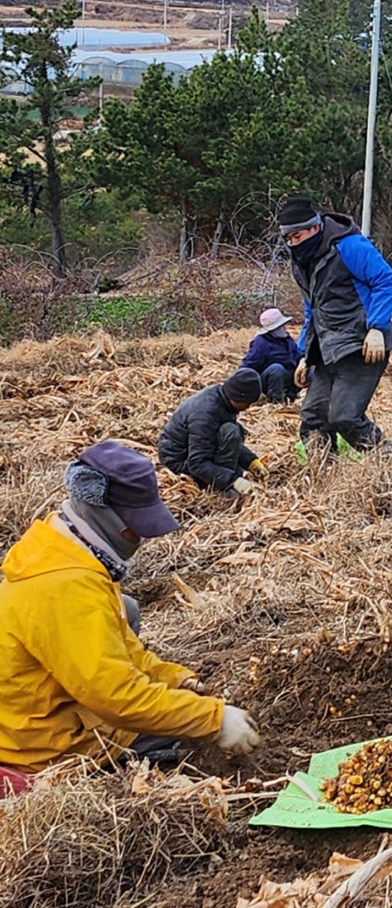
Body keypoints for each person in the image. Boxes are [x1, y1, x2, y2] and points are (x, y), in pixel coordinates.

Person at [0, 441, 260, 776]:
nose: (139, 535)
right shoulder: (68, 587)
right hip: (45, 743)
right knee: (182, 735)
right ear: (100, 511)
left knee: (128, 609)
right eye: (135, 524)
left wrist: (178, 681)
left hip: (41, 711)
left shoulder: (66, 545)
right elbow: (118, 698)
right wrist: (214, 720)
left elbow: (124, 651)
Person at [278, 195, 392, 452]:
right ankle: (325, 479)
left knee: (345, 417)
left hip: (362, 345)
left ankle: (389, 461)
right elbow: (313, 310)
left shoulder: (350, 246)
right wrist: (304, 355)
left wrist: (377, 327)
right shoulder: (301, 263)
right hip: (327, 349)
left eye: (296, 237)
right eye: (287, 239)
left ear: (314, 228)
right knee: (312, 420)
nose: (292, 244)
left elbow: (386, 282)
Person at [158, 368, 267, 498]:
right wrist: (232, 480)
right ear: (238, 397)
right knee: (231, 431)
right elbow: (197, 463)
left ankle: (225, 476)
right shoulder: (205, 415)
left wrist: (252, 462)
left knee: (235, 430)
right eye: (248, 403)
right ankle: (221, 489)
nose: (248, 407)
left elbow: (212, 438)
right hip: (179, 460)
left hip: (191, 452)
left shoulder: (221, 398)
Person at [240, 308, 302, 403]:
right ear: (272, 329)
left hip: (288, 376)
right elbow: (248, 365)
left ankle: (293, 395)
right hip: (269, 380)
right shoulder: (261, 343)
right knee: (276, 369)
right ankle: (276, 400)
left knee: (308, 371)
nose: (285, 328)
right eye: (281, 326)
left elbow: (297, 357)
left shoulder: (287, 339)